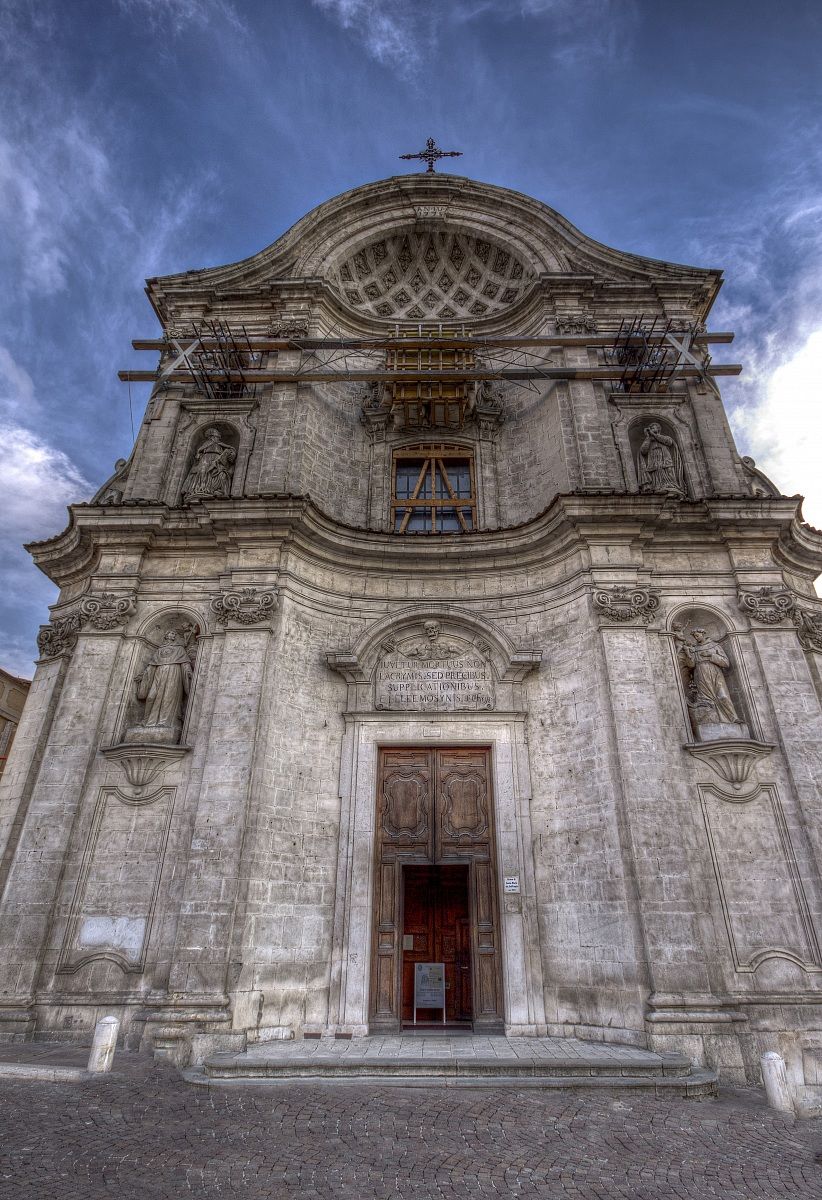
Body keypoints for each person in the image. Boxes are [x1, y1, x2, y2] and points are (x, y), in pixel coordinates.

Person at [128, 629, 193, 743]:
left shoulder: (179, 648)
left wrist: (188, 672)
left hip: (174, 673)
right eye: (170, 633)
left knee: (168, 697)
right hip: (159, 673)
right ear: (166, 635)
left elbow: (185, 663)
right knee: (151, 697)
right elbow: (151, 665)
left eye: (174, 633)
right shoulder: (159, 650)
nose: (172, 634)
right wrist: (144, 676)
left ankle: (165, 722)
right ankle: (148, 721)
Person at [676, 627, 739, 725]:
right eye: (694, 636)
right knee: (705, 700)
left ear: (703, 634)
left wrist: (710, 655)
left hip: (715, 673)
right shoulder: (694, 649)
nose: (696, 638)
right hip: (700, 674)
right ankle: (713, 721)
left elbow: (726, 663)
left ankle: (733, 718)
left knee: (723, 696)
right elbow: (691, 665)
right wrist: (688, 655)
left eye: (697, 635)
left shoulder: (714, 646)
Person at [181, 427, 236, 501]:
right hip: (206, 458)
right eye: (216, 435)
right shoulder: (207, 443)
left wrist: (232, 452)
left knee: (218, 472)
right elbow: (200, 450)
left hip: (217, 459)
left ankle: (211, 489)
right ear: (212, 436)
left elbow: (230, 448)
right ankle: (201, 488)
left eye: (218, 436)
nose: (218, 437)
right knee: (202, 471)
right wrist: (198, 454)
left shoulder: (219, 443)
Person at [637, 423, 686, 497]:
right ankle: (657, 487)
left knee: (668, 471)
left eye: (653, 428)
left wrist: (654, 434)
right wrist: (648, 438)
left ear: (658, 429)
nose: (652, 429)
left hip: (665, 459)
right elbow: (643, 451)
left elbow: (668, 442)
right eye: (651, 428)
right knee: (656, 473)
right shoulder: (649, 440)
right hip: (654, 462)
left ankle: (672, 486)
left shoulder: (665, 437)